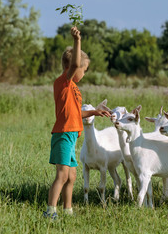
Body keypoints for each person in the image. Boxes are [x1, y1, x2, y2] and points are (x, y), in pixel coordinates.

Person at [43, 26, 110, 219]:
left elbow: (76, 113)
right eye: (84, 69)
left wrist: (94, 112)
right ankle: (50, 211)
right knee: (62, 175)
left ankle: (68, 210)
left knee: (71, 176)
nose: (84, 73)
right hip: (63, 134)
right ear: (73, 67)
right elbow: (74, 66)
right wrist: (77, 40)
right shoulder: (63, 82)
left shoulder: (74, 89)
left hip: (72, 135)